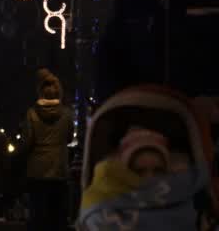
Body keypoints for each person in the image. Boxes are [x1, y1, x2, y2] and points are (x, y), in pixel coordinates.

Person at [78, 86, 213, 231]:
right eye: (139, 171)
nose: (150, 177)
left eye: (157, 170)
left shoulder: (182, 197)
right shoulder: (103, 203)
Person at [18, 68, 74, 231]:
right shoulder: (66, 113)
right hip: (59, 169)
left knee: (38, 216)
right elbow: (69, 138)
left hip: (37, 171)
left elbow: (28, 141)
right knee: (58, 217)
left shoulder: (32, 113)